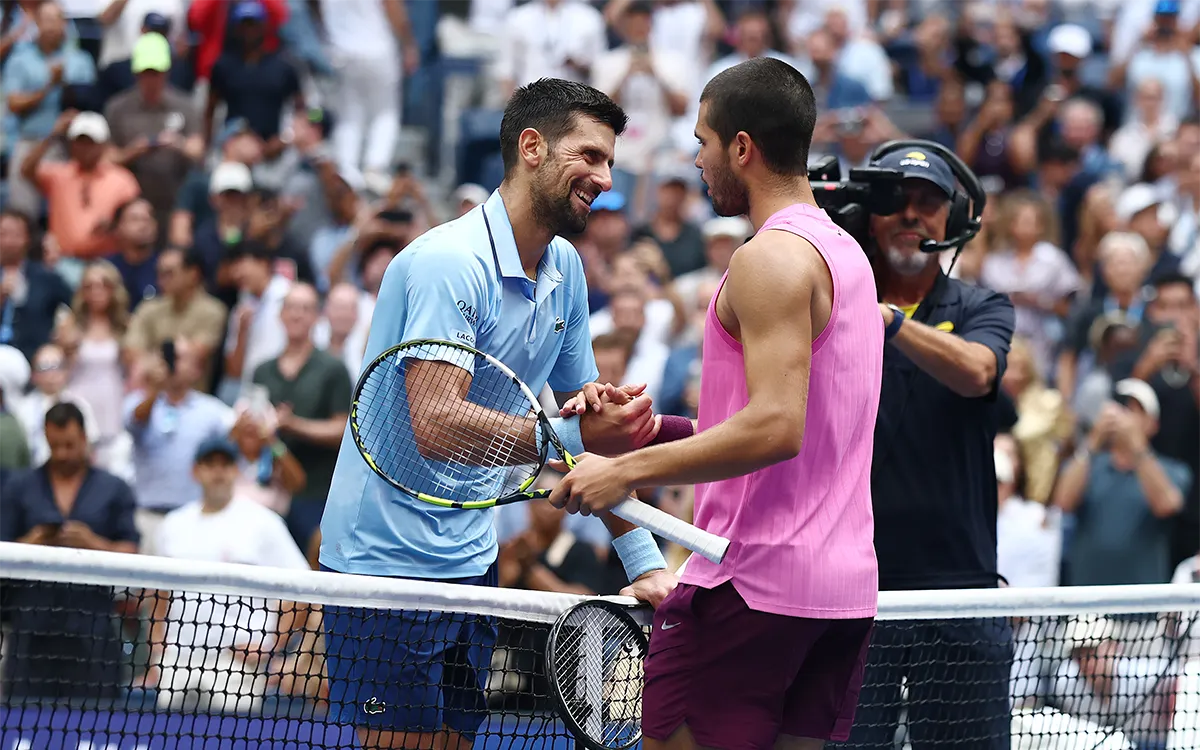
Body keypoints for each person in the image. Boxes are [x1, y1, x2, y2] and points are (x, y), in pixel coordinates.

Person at [317, 78, 677, 750]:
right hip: (386, 564)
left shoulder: (566, 267)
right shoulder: (448, 264)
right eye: (590, 156)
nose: (602, 177)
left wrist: (642, 561)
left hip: (471, 561)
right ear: (532, 148)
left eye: (609, 162)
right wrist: (572, 432)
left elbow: (585, 433)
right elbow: (436, 425)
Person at [550, 57, 883, 750]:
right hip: (841, 594)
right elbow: (802, 428)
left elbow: (776, 428)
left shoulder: (768, 260)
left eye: (702, 140)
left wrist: (626, 473)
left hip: (751, 585)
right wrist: (654, 432)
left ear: (741, 147)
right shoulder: (848, 255)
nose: (695, 158)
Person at [845, 145, 1017, 748]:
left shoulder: (982, 305)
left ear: (954, 218)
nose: (911, 214)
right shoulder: (831, 306)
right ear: (869, 215)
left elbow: (978, 372)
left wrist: (887, 319)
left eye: (928, 203)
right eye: (895, 201)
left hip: (961, 590)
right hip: (855, 589)